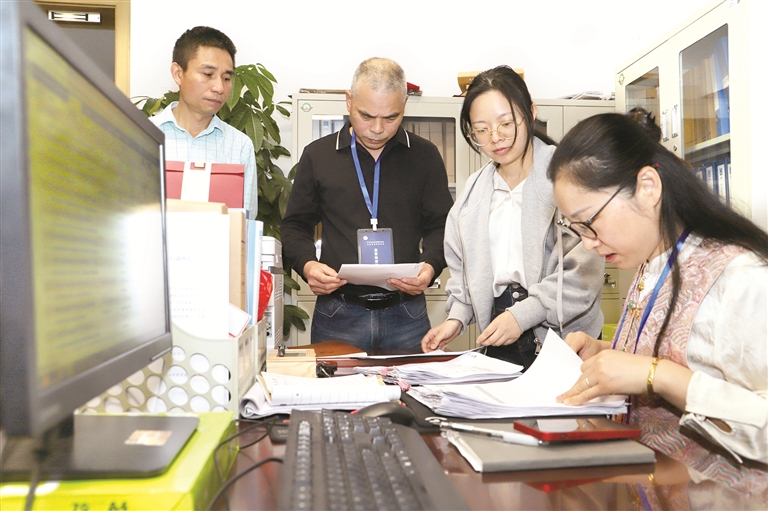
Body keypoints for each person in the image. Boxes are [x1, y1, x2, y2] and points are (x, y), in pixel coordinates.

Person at [551, 113, 767, 495]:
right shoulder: (651, 258)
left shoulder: (741, 278)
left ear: (648, 187)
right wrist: (608, 351)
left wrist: (658, 375)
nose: (587, 243)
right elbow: (694, 349)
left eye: (589, 222)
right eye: (575, 228)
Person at [421, 66, 604, 370]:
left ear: (531, 113)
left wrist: (522, 315)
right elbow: (463, 273)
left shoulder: (568, 180)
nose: (495, 138)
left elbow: (583, 275)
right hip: (500, 335)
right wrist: (456, 319)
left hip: (566, 339)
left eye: (506, 123)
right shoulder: (472, 195)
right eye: (481, 129)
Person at [281, 57, 453, 353]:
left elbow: (442, 226)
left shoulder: (424, 156)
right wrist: (308, 265)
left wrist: (431, 266)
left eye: (390, 117)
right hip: (338, 313)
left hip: (407, 315)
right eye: (366, 116)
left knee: (412, 385)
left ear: (404, 105)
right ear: (349, 101)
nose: (377, 128)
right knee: (336, 386)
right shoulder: (318, 156)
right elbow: (295, 226)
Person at [151, 26, 257, 213]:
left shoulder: (240, 146)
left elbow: (244, 223)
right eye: (208, 74)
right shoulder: (144, 135)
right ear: (178, 73)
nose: (219, 88)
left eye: (226, 78)